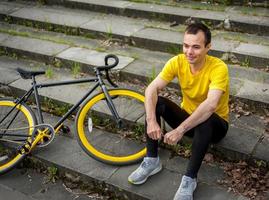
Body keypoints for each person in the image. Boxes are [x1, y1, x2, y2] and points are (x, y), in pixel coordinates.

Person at [128, 22, 229, 200]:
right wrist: (151, 121)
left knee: (205, 117)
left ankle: (190, 179)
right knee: (156, 102)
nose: (189, 51)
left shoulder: (218, 67)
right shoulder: (177, 61)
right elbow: (151, 89)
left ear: (208, 47)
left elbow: (211, 105)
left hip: (215, 124)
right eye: (186, 45)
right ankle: (152, 160)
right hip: (188, 117)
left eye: (196, 47)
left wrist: (180, 130)